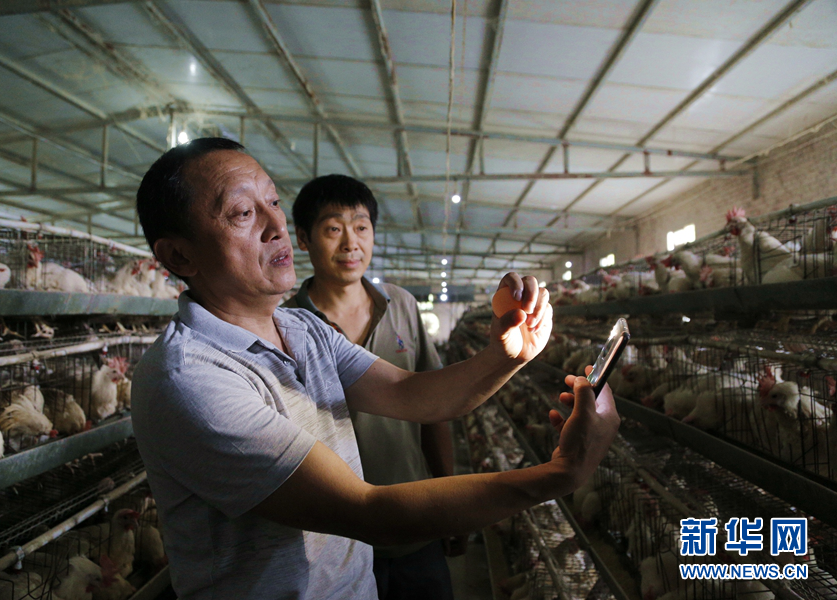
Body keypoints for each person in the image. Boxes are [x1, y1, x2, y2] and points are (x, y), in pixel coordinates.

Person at [131, 137, 620, 600]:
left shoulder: (303, 329)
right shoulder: (190, 378)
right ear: (179, 255)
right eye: (242, 212)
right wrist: (559, 475)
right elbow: (366, 511)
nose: (274, 224)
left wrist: (506, 355)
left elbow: (412, 394)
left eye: (273, 202)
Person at [284, 174, 460, 600]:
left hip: (414, 521)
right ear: (304, 240)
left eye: (361, 227)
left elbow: (434, 406)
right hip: (333, 539)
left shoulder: (400, 304)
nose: (350, 244)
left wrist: (449, 504)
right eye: (333, 229)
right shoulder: (285, 324)